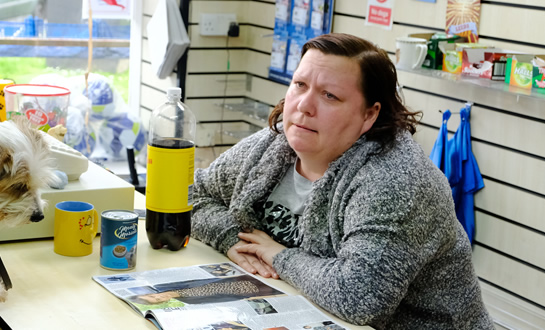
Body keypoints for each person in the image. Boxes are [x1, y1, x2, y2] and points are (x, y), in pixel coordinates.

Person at [190, 34, 493, 329]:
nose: (303, 106)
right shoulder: (275, 145)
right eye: (300, 85)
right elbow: (190, 193)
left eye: (329, 95)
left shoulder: (398, 181)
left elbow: (358, 297)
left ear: (369, 115)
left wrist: (279, 256)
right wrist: (230, 238)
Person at [127, 275, 283, 307]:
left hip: (242, 276)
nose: (161, 296)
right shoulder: (188, 301)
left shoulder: (167, 285)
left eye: (154, 296)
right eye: (158, 300)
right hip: (254, 290)